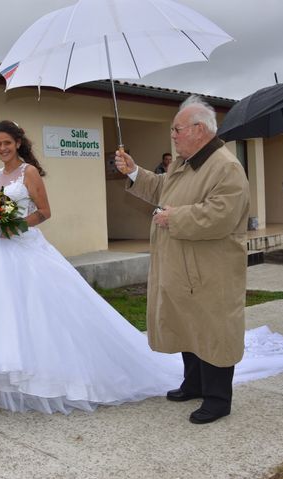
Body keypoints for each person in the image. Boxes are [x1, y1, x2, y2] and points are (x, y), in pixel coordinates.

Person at [0, 119, 283, 416]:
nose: (2, 149)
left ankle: (209, 391)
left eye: (7, 143)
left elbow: (44, 211)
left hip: (33, 246)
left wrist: (15, 221)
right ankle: (0, 375)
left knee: (46, 313)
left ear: (18, 143)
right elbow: (158, 185)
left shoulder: (30, 173)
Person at [114, 95, 250, 424]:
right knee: (190, 325)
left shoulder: (226, 167)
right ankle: (194, 384)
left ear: (199, 130)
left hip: (211, 266)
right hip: (184, 264)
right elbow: (162, 189)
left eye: (177, 129)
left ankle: (218, 399)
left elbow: (221, 215)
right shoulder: (186, 163)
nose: (172, 135)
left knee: (214, 329)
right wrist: (134, 172)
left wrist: (175, 218)